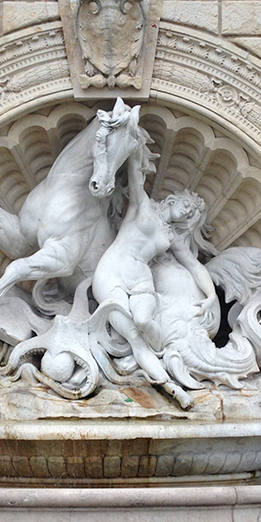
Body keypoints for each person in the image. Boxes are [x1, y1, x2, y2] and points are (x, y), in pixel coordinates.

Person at [92, 151, 218, 408]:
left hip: (141, 280)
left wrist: (211, 295)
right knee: (135, 336)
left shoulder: (174, 238)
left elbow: (194, 266)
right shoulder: (143, 205)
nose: (187, 213)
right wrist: (133, 144)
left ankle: (166, 358)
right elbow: (135, 175)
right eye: (186, 206)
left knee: (143, 321)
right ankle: (173, 389)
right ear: (172, 200)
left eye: (191, 213)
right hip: (111, 273)